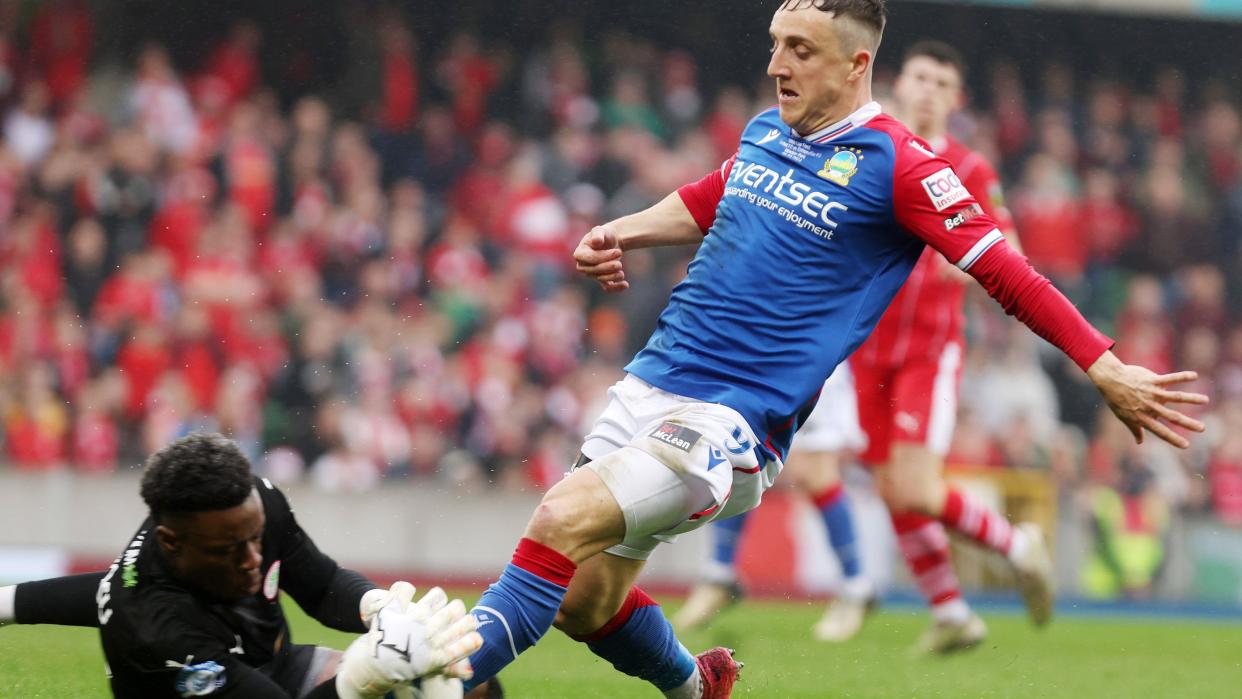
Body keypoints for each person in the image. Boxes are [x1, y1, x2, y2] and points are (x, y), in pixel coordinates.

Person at [459, 2, 1207, 698]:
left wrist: (1104, 364)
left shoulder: (904, 165)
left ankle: (429, 673)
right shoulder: (764, 130)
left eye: (800, 50)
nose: (776, 65)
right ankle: (695, 684)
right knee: (585, 602)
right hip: (653, 380)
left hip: (732, 420)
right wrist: (623, 230)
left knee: (558, 518)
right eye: (776, 45)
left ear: (855, 65)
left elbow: (1009, 273)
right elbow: (711, 197)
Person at [0, 433, 484, 699]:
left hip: (274, 664)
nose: (253, 560)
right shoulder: (155, 630)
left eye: (255, 538)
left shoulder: (251, 503)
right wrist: (360, 680)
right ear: (172, 543)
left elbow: (319, 584)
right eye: (229, 550)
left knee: (468, 679)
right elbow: (118, 597)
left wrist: (377, 607)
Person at [848, 39, 1029, 654]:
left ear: (955, 99)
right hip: (864, 350)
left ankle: (1015, 545)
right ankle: (950, 610)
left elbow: (1010, 254)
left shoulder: (971, 171)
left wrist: (974, 267)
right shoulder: (871, 150)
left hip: (928, 351)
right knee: (893, 487)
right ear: (899, 85)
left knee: (918, 486)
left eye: (940, 83)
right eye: (919, 77)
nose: (926, 90)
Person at [672, 362, 874, 642]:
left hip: (810, 352)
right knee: (738, 452)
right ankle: (719, 574)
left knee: (817, 472)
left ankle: (856, 587)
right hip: (759, 352)